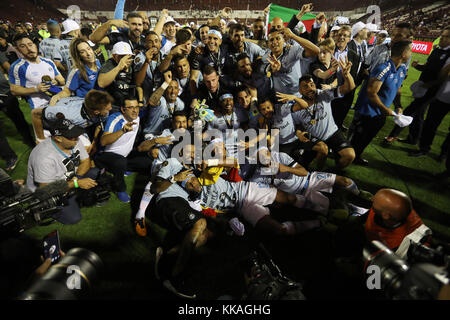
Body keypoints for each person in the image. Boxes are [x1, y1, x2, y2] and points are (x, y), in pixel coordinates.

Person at [285, 58, 356, 170]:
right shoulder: (296, 105)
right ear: (299, 91)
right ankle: (318, 170)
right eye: (305, 86)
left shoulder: (324, 94)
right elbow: (296, 125)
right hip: (313, 138)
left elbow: (349, 87)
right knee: (303, 165)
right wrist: (299, 133)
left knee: (350, 155)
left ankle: (330, 172)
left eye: (312, 85)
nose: (310, 88)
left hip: (332, 133)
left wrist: (347, 75)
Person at [349, 40, 412, 165]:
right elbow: (371, 92)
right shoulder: (383, 69)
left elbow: (397, 90)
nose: (411, 53)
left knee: (367, 138)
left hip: (381, 113)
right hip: (367, 112)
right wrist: (384, 109)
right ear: (403, 53)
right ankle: (345, 157)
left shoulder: (402, 69)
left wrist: (398, 105)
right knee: (356, 139)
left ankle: (356, 156)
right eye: (410, 50)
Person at [385, 27, 450, 146]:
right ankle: (413, 139)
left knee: (410, 110)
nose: (442, 38)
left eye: (446, 36)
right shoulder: (436, 50)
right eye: (442, 35)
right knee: (419, 114)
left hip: (433, 90)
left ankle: (393, 135)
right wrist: (418, 66)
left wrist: (428, 85)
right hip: (422, 87)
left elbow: (443, 77)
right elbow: (427, 66)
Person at [26, 118, 99, 225]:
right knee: (73, 218)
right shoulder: (43, 157)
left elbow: (85, 160)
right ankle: (49, 210)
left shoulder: (73, 141)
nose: (77, 139)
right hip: (48, 191)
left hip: (70, 179)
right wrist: (76, 184)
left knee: (96, 173)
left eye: (76, 135)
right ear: (58, 138)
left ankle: (75, 197)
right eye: (73, 136)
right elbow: (46, 189)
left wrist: (77, 178)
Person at [95, 97, 152, 203]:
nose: (135, 110)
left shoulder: (137, 115)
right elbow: (103, 141)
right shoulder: (115, 119)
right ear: (123, 109)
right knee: (120, 162)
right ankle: (120, 189)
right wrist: (122, 130)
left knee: (148, 162)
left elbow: (152, 102)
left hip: (126, 155)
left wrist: (165, 84)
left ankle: (125, 169)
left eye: (136, 107)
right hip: (106, 156)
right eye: (130, 107)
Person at [32, 89, 113, 146]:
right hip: (47, 123)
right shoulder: (67, 114)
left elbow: (99, 124)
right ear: (96, 112)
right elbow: (35, 113)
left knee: (86, 146)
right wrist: (40, 139)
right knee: (48, 152)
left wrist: (94, 142)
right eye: (107, 109)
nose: (110, 109)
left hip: (70, 126)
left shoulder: (102, 112)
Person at [9, 33, 65, 109]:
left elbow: (62, 81)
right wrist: (36, 89)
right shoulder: (18, 67)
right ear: (18, 49)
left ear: (35, 45)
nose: (29, 49)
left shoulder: (48, 62)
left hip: (59, 102)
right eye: (23, 46)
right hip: (40, 107)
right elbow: (14, 90)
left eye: (30, 44)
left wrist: (56, 82)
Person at [260, 27, 319, 95]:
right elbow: (262, 70)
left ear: (284, 40)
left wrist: (293, 36)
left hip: (297, 95)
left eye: (278, 38)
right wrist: (270, 68)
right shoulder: (266, 57)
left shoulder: (292, 50)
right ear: (268, 44)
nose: (274, 42)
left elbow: (316, 51)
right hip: (279, 98)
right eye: (271, 40)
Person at [49, 38, 101, 106]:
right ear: (78, 56)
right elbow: (67, 91)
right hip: (87, 105)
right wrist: (56, 97)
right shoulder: (77, 72)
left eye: (88, 49)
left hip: (101, 101)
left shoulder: (98, 63)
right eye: (83, 52)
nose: (88, 53)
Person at [143, 70, 185, 138]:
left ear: (178, 90)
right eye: (170, 87)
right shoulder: (161, 100)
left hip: (167, 134)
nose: (173, 91)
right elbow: (152, 101)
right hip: (151, 134)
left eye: (175, 88)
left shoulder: (180, 104)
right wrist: (166, 83)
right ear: (165, 89)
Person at [97, 41, 136, 113]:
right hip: (114, 106)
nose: (124, 59)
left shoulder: (132, 64)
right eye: (121, 56)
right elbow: (101, 83)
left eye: (127, 56)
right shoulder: (109, 64)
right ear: (114, 56)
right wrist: (118, 67)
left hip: (129, 104)